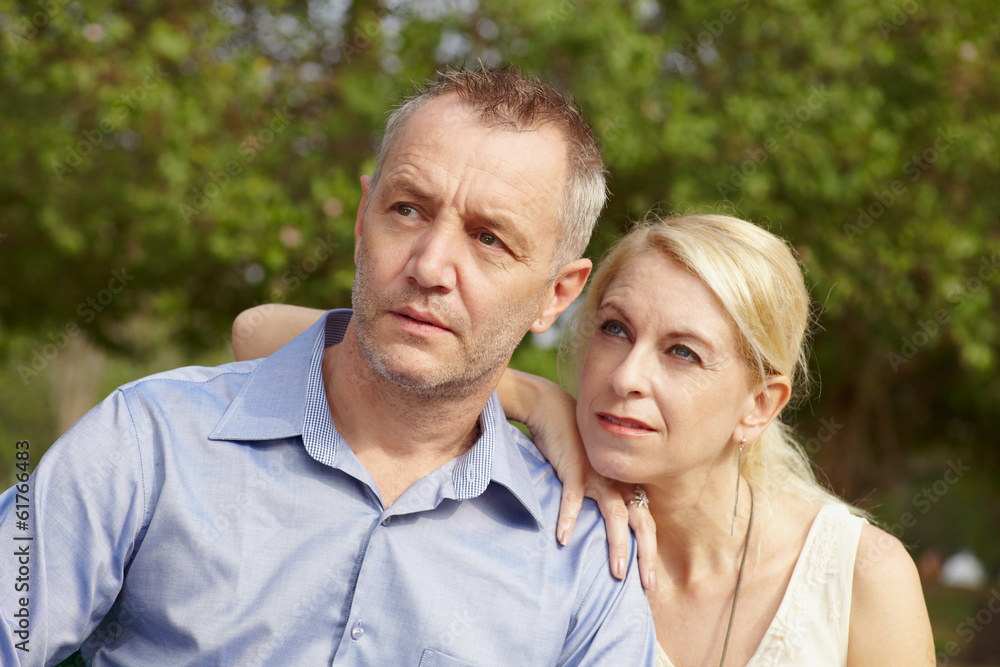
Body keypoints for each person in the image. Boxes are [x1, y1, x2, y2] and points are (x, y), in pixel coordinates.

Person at [0, 67, 657, 665]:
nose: (429, 267)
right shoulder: (149, 441)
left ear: (557, 294)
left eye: (489, 238)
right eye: (408, 209)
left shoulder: (584, 562)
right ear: (361, 221)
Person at [235, 213, 936, 666]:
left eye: (683, 353)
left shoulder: (860, 577)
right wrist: (521, 391)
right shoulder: (523, 493)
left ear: (759, 405)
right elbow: (256, 330)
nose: (627, 375)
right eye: (615, 329)